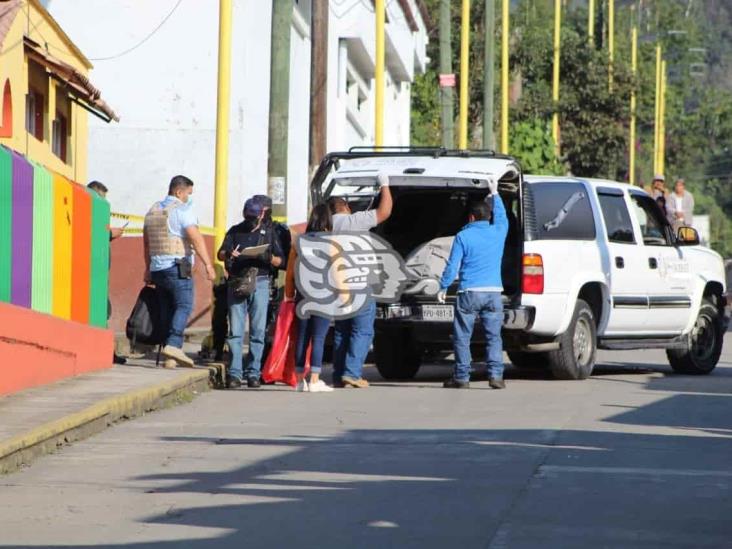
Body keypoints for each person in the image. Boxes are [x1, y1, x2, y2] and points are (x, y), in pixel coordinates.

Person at [438, 180, 509, 389]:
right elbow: (503, 216)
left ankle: (461, 378)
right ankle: (496, 376)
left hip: (469, 292)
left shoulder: (463, 236)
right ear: (489, 217)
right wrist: (495, 192)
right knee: (493, 337)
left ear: (471, 217)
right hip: (494, 293)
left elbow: (452, 266)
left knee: (462, 337)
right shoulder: (499, 231)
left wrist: (443, 286)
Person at [327, 172, 393, 388]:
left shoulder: (325, 227)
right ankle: (352, 373)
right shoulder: (353, 220)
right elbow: (385, 211)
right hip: (358, 285)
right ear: (345, 206)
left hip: (337, 287)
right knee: (362, 330)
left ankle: (339, 375)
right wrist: (385, 185)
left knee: (342, 331)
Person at [143, 175, 216, 367]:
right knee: (183, 306)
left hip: (157, 269)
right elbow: (196, 238)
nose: (189, 198)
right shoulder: (182, 211)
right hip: (176, 267)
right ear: (178, 192)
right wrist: (208, 265)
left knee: (167, 309)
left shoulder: (152, 211)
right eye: (188, 194)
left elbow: (147, 244)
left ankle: (170, 358)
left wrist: (147, 268)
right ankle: (174, 345)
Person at [218, 196, 284, 389]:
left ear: (261, 214)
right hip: (238, 282)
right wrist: (228, 253)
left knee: (257, 332)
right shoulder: (234, 231)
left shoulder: (269, 233)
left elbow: (282, 261)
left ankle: (254, 373)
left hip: (261, 282)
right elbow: (220, 253)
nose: (250, 220)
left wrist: (268, 257)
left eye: (253, 217)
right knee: (235, 332)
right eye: (248, 216)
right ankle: (234, 373)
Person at [284, 204, 335, 393]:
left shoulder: (299, 241)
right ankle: (314, 380)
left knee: (302, 338)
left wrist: (289, 294)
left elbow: (290, 272)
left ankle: (299, 381)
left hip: (302, 297)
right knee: (319, 338)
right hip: (324, 296)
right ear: (328, 220)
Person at [88, 180, 126, 365]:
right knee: (101, 312)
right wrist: (111, 234)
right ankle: (104, 352)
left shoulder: (96, 213)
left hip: (100, 274)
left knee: (104, 312)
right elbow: (91, 234)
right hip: (92, 275)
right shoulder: (88, 211)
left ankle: (106, 351)